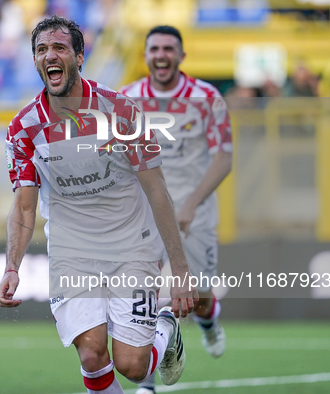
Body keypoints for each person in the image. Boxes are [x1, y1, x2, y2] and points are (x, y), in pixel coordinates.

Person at [0, 16, 198, 394]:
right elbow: (24, 207)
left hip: (131, 247)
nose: (49, 56)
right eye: (41, 50)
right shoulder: (23, 128)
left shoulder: (121, 112)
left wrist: (181, 268)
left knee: (133, 367)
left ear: (79, 56)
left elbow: (157, 191)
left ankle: (166, 326)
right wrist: (12, 266)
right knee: (91, 355)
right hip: (72, 253)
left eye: (59, 48)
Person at [119, 25, 232, 394]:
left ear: (182, 55)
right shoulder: (127, 98)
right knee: (156, 297)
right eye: (154, 48)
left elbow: (223, 159)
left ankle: (209, 320)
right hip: (147, 217)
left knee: (195, 299)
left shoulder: (207, 97)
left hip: (194, 214)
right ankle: (147, 384)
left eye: (169, 48)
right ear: (146, 55)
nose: (161, 55)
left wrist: (191, 203)